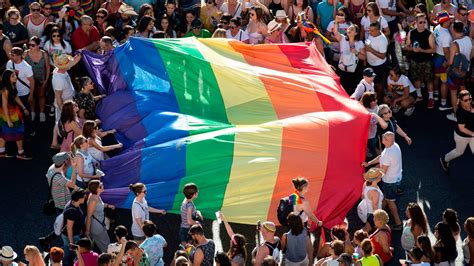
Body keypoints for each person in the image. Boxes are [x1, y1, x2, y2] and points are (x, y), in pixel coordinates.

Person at [362, 132, 403, 230]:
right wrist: (369, 163)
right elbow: (381, 157)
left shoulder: (388, 153)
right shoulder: (393, 146)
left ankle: (398, 223)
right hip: (397, 177)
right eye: (383, 136)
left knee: (391, 201)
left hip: (390, 181)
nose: (382, 138)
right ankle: (383, 207)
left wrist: (370, 176)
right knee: (387, 196)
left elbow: (382, 170)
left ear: (388, 141)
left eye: (385, 138)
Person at [404, 13, 436, 109]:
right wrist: (411, 49)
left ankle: (430, 98)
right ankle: (419, 95)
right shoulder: (411, 33)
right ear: (416, 23)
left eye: (424, 22)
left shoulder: (429, 34)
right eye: (420, 22)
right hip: (415, 60)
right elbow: (407, 46)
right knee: (416, 79)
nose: (423, 24)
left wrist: (421, 50)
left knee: (429, 80)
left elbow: (433, 49)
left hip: (427, 61)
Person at [440, 90, 474, 172]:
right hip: (462, 136)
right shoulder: (460, 112)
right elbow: (462, 128)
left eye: (469, 99)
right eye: (466, 100)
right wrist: (473, 134)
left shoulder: (472, 104)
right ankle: (445, 159)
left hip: (472, 135)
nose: (468, 101)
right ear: (460, 101)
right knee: (459, 152)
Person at [0, 69, 31, 160]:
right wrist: (8, 120)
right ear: (7, 78)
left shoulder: (12, 86)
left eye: (15, 75)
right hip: (9, 114)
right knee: (18, 132)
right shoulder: (5, 90)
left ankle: (1, 152)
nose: (16, 77)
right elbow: (4, 106)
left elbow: (15, 96)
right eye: (13, 76)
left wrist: (23, 107)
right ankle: (20, 153)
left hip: (12, 112)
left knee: (3, 133)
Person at [445, 21, 472, 122]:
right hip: (465, 71)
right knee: (464, 92)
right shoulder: (469, 39)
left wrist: (445, 64)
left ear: (453, 29)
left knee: (453, 93)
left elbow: (450, 62)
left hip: (455, 74)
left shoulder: (454, 44)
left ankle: (457, 116)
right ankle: (468, 110)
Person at [6, 47, 34, 137]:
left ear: (19, 56)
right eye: (10, 55)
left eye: (13, 55)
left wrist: (31, 94)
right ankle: (16, 132)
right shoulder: (9, 63)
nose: (11, 57)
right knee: (14, 114)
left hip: (24, 94)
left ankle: (29, 132)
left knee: (26, 114)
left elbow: (32, 81)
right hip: (13, 94)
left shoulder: (26, 67)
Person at [332, 20, 365, 94]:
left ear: (356, 33)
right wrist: (336, 22)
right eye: (349, 28)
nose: (349, 30)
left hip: (353, 72)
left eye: (352, 29)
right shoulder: (342, 38)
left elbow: (363, 57)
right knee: (342, 89)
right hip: (342, 70)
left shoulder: (359, 43)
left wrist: (356, 52)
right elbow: (335, 32)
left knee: (351, 90)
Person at [24, 36, 50, 122]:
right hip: (29, 80)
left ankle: (42, 113)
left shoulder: (44, 54)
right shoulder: (25, 53)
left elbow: (47, 67)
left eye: (33, 45)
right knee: (32, 96)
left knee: (41, 96)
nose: (30, 47)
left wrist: (46, 80)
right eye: (29, 45)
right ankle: (33, 112)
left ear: (38, 45)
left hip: (41, 79)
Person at [86, 180, 114, 253]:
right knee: (106, 246)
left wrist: (107, 205)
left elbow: (99, 205)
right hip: (97, 227)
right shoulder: (93, 200)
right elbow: (89, 216)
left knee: (100, 243)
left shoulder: (95, 195)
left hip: (99, 224)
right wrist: (87, 231)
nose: (103, 186)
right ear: (97, 189)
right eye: (101, 186)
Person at [433, 12, 452, 111]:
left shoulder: (436, 28)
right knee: (444, 81)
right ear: (445, 22)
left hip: (436, 57)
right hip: (442, 60)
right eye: (449, 19)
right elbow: (446, 51)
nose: (450, 20)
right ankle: (443, 103)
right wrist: (449, 61)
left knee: (436, 77)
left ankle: (436, 94)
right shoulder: (446, 35)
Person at [61, 189, 86, 266]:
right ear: (79, 199)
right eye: (84, 197)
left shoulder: (72, 203)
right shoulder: (72, 211)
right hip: (71, 235)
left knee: (68, 250)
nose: (85, 197)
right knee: (69, 251)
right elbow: (69, 228)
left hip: (74, 233)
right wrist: (71, 243)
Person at [365, 21, 388, 101]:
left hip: (379, 66)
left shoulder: (382, 40)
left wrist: (370, 50)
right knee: (372, 82)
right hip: (370, 63)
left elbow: (382, 56)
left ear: (378, 31)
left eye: (372, 30)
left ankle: (379, 99)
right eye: (369, 30)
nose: (369, 32)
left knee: (379, 84)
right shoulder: (372, 34)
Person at [360, 92, 388, 157]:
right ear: (368, 102)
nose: (376, 101)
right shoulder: (365, 112)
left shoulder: (375, 106)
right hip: (369, 135)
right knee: (372, 145)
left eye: (375, 99)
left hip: (375, 131)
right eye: (373, 101)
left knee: (375, 143)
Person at [361, 168, 384, 232]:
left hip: (369, 212)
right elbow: (375, 206)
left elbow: (362, 197)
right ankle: (355, 241)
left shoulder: (366, 184)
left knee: (366, 230)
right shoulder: (375, 192)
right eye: (379, 175)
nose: (381, 176)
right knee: (366, 231)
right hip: (373, 214)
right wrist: (378, 218)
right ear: (375, 179)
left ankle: (355, 240)